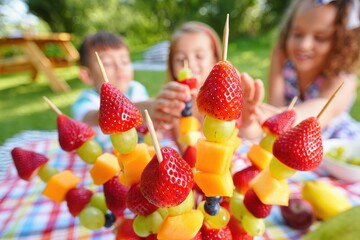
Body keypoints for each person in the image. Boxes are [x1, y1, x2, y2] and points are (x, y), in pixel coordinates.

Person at [251, 0, 360, 139]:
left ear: (342, 43)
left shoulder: (343, 77)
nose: (304, 45)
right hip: (287, 136)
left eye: (320, 38)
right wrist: (268, 116)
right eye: (297, 34)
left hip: (334, 140)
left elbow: (324, 108)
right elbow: (276, 105)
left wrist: (282, 119)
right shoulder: (282, 56)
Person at [148, 21, 264, 152]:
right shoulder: (169, 103)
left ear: (215, 59)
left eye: (199, 56)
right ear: (171, 65)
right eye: (180, 59)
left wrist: (248, 122)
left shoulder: (227, 100)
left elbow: (252, 134)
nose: (190, 63)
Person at [71, 31, 150, 150]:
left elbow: (146, 123)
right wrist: (148, 108)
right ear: (87, 75)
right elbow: (89, 117)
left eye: (124, 61)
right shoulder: (85, 100)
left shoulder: (136, 89)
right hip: (104, 157)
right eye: (107, 63)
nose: (119, 67)